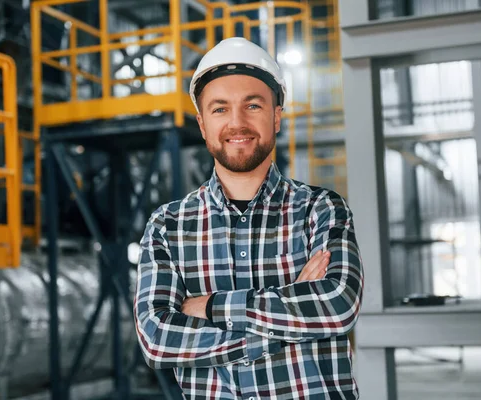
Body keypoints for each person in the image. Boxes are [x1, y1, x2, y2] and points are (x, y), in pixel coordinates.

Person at [134, 37, 364, 399]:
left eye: (252, 106)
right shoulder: (168, 227)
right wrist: (287, 314)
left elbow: (336, 306)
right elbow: (157, 340)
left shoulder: (321, 209)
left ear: (276, 116)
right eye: (220, 109)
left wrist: (209, 307)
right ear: (202, 123)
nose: (236, 123)